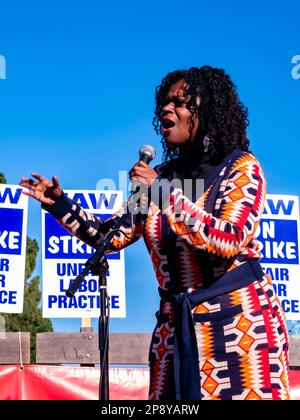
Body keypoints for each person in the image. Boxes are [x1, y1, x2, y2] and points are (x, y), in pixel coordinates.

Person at [19, 66, 290, 400]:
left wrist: (162, 193)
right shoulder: (160, 177)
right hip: (175, 332)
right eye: (164, 102)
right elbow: (110, 236)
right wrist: (59, 204)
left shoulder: (241, 168)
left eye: (179, 102)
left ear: (205, 110)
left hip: (240, 331)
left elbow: (227, 238)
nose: (166, 108)